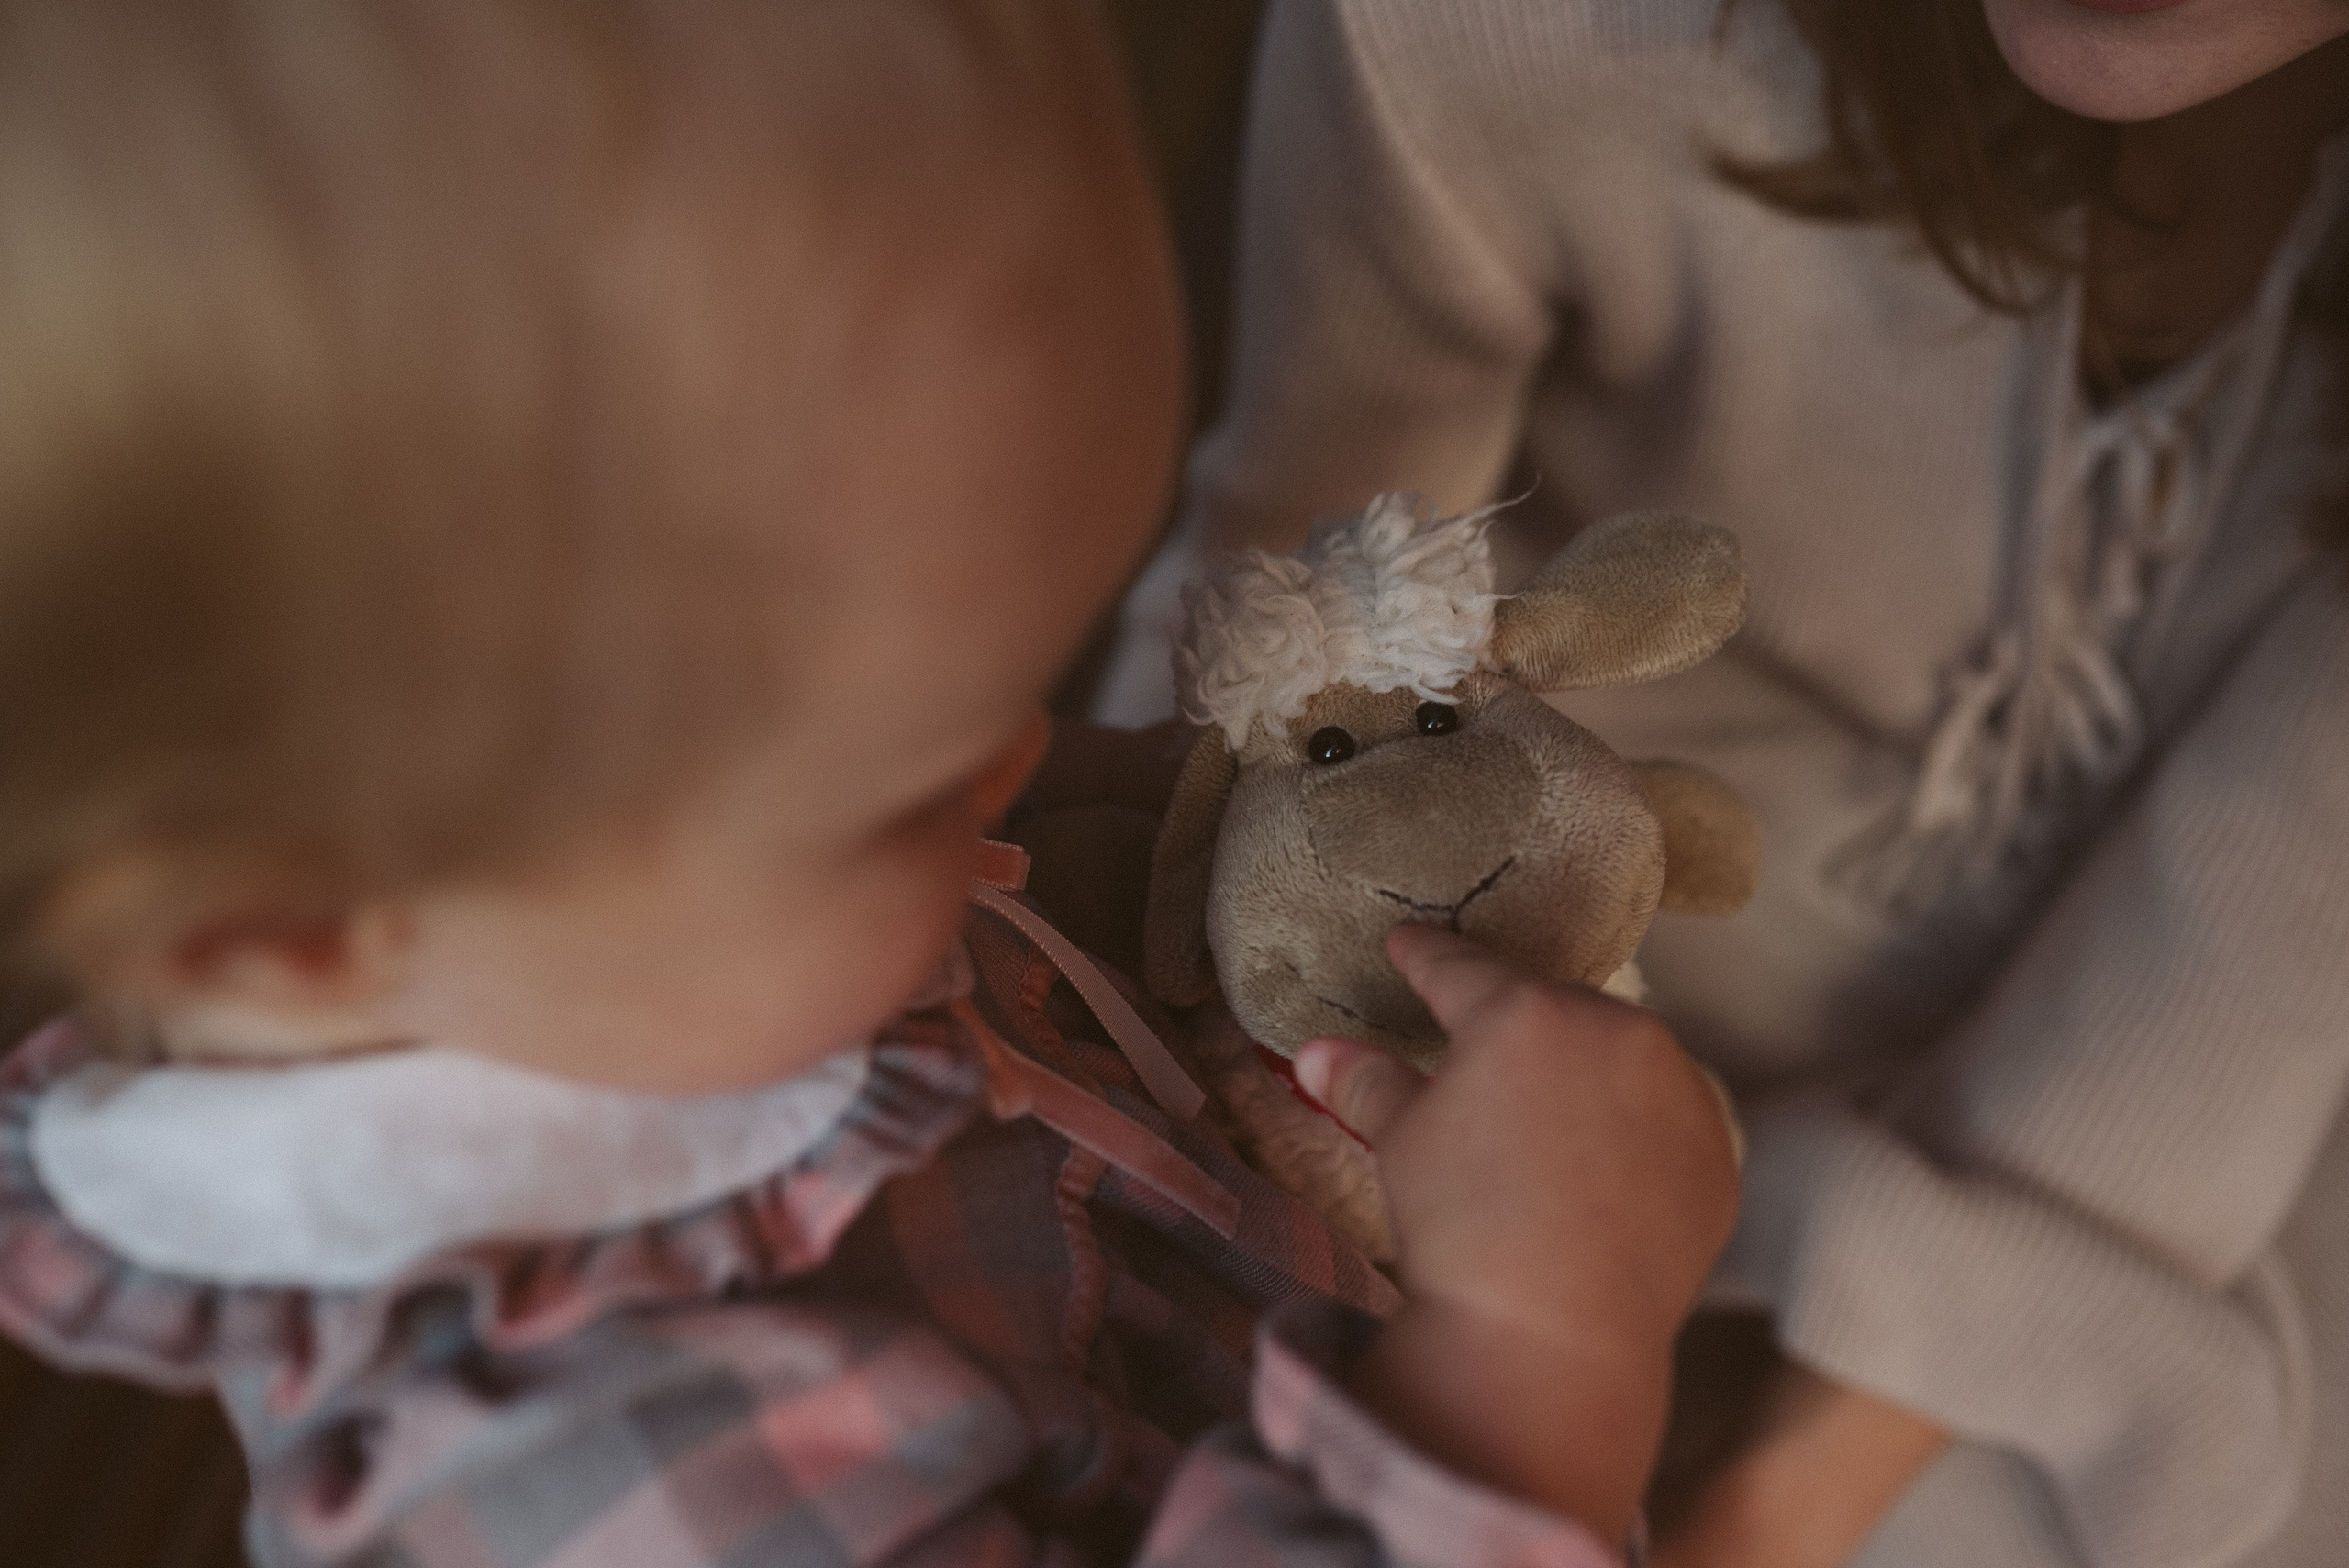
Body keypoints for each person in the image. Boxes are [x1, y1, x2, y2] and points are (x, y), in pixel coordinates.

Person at [0, 1, 1742, 1564]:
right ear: (298, 932)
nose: (1018, 761)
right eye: (913, 788)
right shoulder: (581, 1477)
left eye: (1021, 689)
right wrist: (1536, 1368)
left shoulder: (604, 943)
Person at [1092, 1, 2349, 1566]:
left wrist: (1770, 1496)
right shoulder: (1497, 33)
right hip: (1531, 1021)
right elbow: (1272, 631)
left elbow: (2277, 910)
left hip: (2182, 1111)